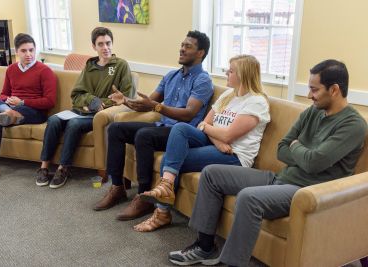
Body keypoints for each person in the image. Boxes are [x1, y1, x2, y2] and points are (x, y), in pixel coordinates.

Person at [168, 59, 367, 266]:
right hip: (280, 178)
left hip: (305, 189)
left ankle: (232, 262)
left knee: (248, 198)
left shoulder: (353, 125)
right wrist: (302, 152)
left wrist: (297, 147)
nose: (309, 95)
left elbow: (314, 163)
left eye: (314, 89)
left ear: (334, 89)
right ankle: (205, 247)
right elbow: (282, 148)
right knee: (211, 174)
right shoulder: (312, 111)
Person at [134, 55, 270, 232]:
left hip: (235, 156)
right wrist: (218, 140)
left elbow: (228, 135)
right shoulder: (229, 95)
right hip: (218, 145)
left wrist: (219, 137)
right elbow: (203, 124)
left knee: (169, 158)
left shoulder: (257, 102)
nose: (226, 73)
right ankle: (166, 187)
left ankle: (162, 213)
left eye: (231, 71)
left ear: (244, 74)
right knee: (181, 128)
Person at [93, 30, 214, 222]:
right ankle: (117, 188)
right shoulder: (171, 76)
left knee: (144, 135)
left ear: (200, 53)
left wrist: (157, 106)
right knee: (115, 129)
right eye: (182, 45)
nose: (182, 49)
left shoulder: (203, 80)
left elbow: (189, 113)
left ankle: (144, 197)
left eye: (188, 46)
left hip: (181, 134)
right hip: (162, 127)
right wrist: (125, 100)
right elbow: (146, 103)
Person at [35, 27, 133, 189]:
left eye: (108, 43)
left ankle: (63, 168)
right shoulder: (90, 66)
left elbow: (125, 97)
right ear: (94, 47)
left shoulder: (120, 66)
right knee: (53, 120)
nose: (105, 48)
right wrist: (91, 100)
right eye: (100, 44)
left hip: (97, 115)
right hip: (80, 110)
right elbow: (77, 94)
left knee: (73, 124)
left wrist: (99, 104)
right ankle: (44, 167)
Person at [0, 33, 57, 186]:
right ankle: (7, 112)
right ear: (16, 52)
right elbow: (4, 93)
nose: (28, 54)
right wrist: (7, 101)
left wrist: (22, 102)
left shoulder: (45, 71)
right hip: (11, 107)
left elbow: (50, 101)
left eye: (31, 50)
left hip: (34, 112)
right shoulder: (11, 69)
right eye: (24, 51)